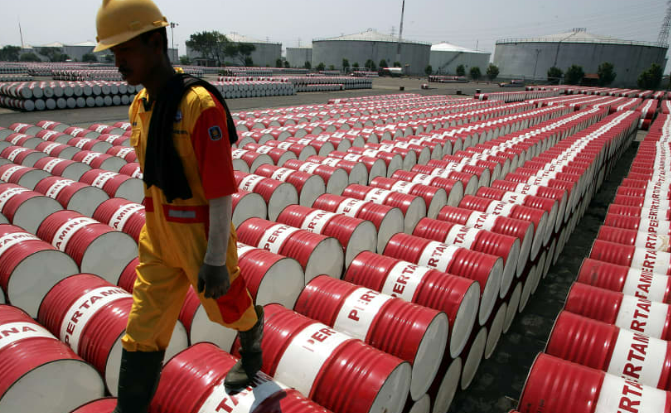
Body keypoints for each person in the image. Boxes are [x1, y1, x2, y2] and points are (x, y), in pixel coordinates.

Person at [93, 1, 264, 411]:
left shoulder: (200, 106)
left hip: (200, 238)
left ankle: (252, 343)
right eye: (113, 53)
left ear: (155, 43)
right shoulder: (140, 106)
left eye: (125, 50)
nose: (118, 63)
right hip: (157, 237)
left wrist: (215, 260)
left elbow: (220, 191)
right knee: (142, 328)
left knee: (229, 311)